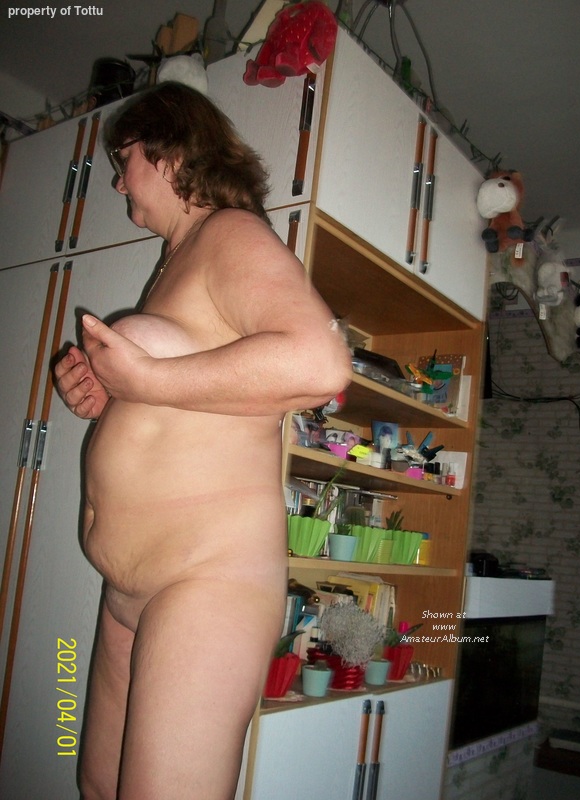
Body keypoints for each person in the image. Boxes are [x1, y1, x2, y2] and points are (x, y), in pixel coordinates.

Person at [54, 82, 351, 800]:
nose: (119, 180)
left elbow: (319, 364)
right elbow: (196, 400)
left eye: (124, 159)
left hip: (204, 583)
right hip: (127, 591)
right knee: (96, 787)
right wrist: (106, 396)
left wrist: (147, 378)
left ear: (171, 152)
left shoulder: (229, 233)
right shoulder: (174, 261)